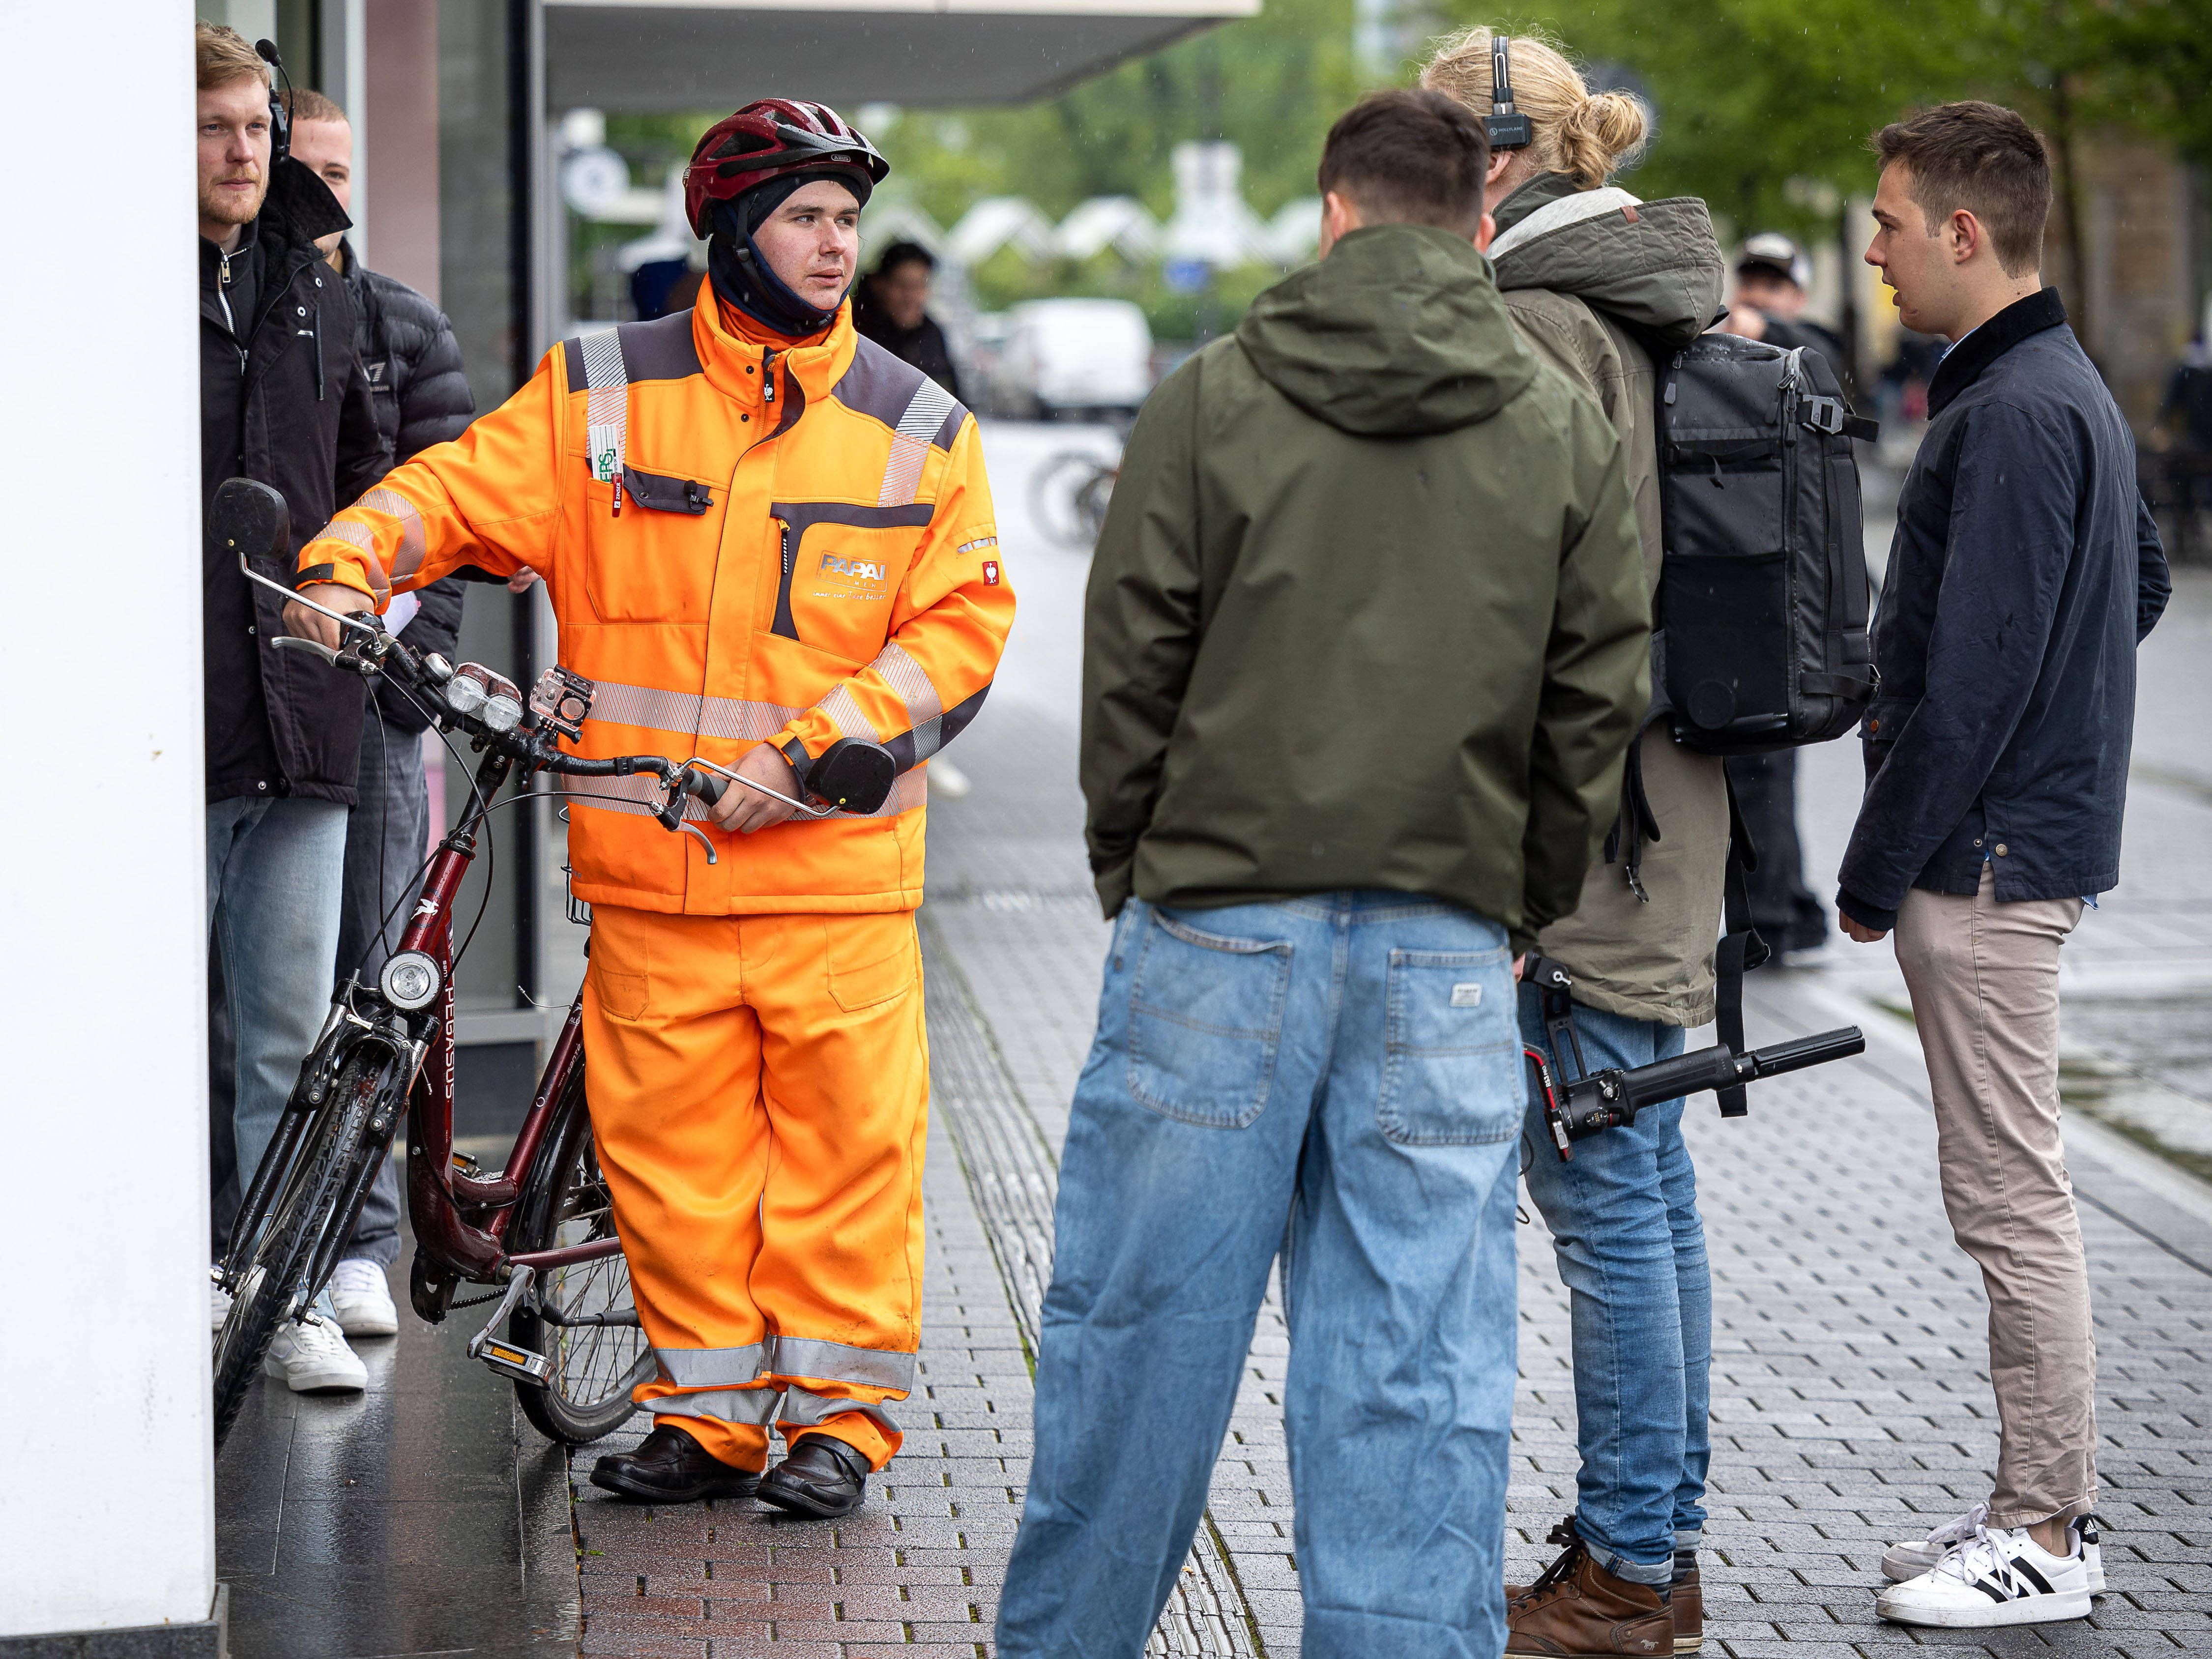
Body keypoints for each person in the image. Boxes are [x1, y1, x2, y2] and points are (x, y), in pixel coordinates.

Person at [284, 99, 1013, 1518]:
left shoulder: (917, 424)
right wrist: (346, 563)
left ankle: (840, 1424)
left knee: (842, 1163)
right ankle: (710, 1415)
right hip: (653, 878)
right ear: (727, 229)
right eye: (804, 217)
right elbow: (450, 490)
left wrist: (812, 751)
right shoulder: (599, 392)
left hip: (831, 880)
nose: (833, 245)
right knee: (672, 1169)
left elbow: (960, 631)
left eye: (845, 220)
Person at [995, 88, 1650, 1659]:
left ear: (1330, 212)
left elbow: (1130, 662)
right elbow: (1597, 690)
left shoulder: (1211, 397)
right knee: (1417, 1363)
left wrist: (1135, 869)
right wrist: (1521, 898)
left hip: (1216, 923)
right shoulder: (1562, 414)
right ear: (1480, 225)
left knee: (1139, 1338)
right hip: (1442, 940)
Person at [1836, 100, 2169, 1629]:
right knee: (2009, 1191)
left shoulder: (2020, 406)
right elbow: (2141, 583)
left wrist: (1873, 860)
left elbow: (1978, 677)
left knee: (2012, 1202)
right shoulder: (2053, 383)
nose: (1877, 250)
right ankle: (2027, 1511)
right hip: (2005, 840)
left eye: (1894, 224)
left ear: (1966, 233)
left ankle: (2047, 1529)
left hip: (1986, 861)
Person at [1424, 29, 1727, 1658]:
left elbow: (1539, 615)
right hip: (1662, 805)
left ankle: (1620, 1573)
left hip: (1589, 828)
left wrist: (1515, 867)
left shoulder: (1540, 323)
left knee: (1599, 1184)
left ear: (1491, 159)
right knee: (1647, 1177)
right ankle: (1656, 1543)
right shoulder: (1639, 294)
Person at [196, 23, 388, 1392]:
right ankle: (162, 1281)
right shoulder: (101, 288)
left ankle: (286, 1293)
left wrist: (363, 595)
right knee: (151, 1034)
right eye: (212, 129)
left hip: (306, 718)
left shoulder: (319, 288)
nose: (242, 151)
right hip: (168, 726)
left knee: (288, 1032)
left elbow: (376, 481)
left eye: (254, 127)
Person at [285, 86, 478, 1339]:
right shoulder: (240, 319)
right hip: (257, 708)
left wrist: (410, 695)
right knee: (263, 994)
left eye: (337, 169)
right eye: (309, 168)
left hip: (376, 708)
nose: (324, 193)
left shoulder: (403, 324)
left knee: (373, 983)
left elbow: (448, 529)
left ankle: (357, 1243)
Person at [1717, 232, 1843, 960]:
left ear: (1796, 293)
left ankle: (1773, 910)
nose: (1760, 294)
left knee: (1769, 756)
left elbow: (1825, 355)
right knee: (1752, 756)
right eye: (1752, 280)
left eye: (1776, 283)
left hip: (1788, 585)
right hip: (1739, 572)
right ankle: (1773, 906)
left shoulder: (1808, 350)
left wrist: (1764, 333)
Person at [852, 240, 961, 399]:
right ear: (878, 285)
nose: (911, 297)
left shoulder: (932, 334)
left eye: (919, 286)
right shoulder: (856, 334)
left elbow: (952, 400)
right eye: (902, 285)